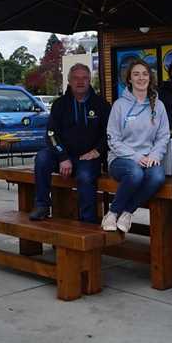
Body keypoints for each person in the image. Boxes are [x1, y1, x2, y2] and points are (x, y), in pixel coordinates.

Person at [30, 63, 110, 223]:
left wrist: (98, 151)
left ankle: (88, 222)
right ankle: (42, 206)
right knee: (41, 158)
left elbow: (110, 134)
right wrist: (62, 157)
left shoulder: (101, 104)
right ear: (69, 81)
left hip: (89, 158)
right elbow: (51, 134)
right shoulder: (60, 104)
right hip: (63, 156)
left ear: (90, 81)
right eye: (76, 78)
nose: (80, 82)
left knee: (85, 176)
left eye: (84, 78)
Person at [101, 59, 169, 233]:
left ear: (150, 78)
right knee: (135, 173)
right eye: (136, 74)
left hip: (149, 158)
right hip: (121, 159)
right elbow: (113, 139)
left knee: (157, 177)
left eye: (145, 74)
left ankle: (127, 212)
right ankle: (112, 212)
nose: (141, 78)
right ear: (129, 79)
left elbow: (163, 136)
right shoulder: (119, 105)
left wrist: (155, 156)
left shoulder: (159, 106)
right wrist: (137, 157)